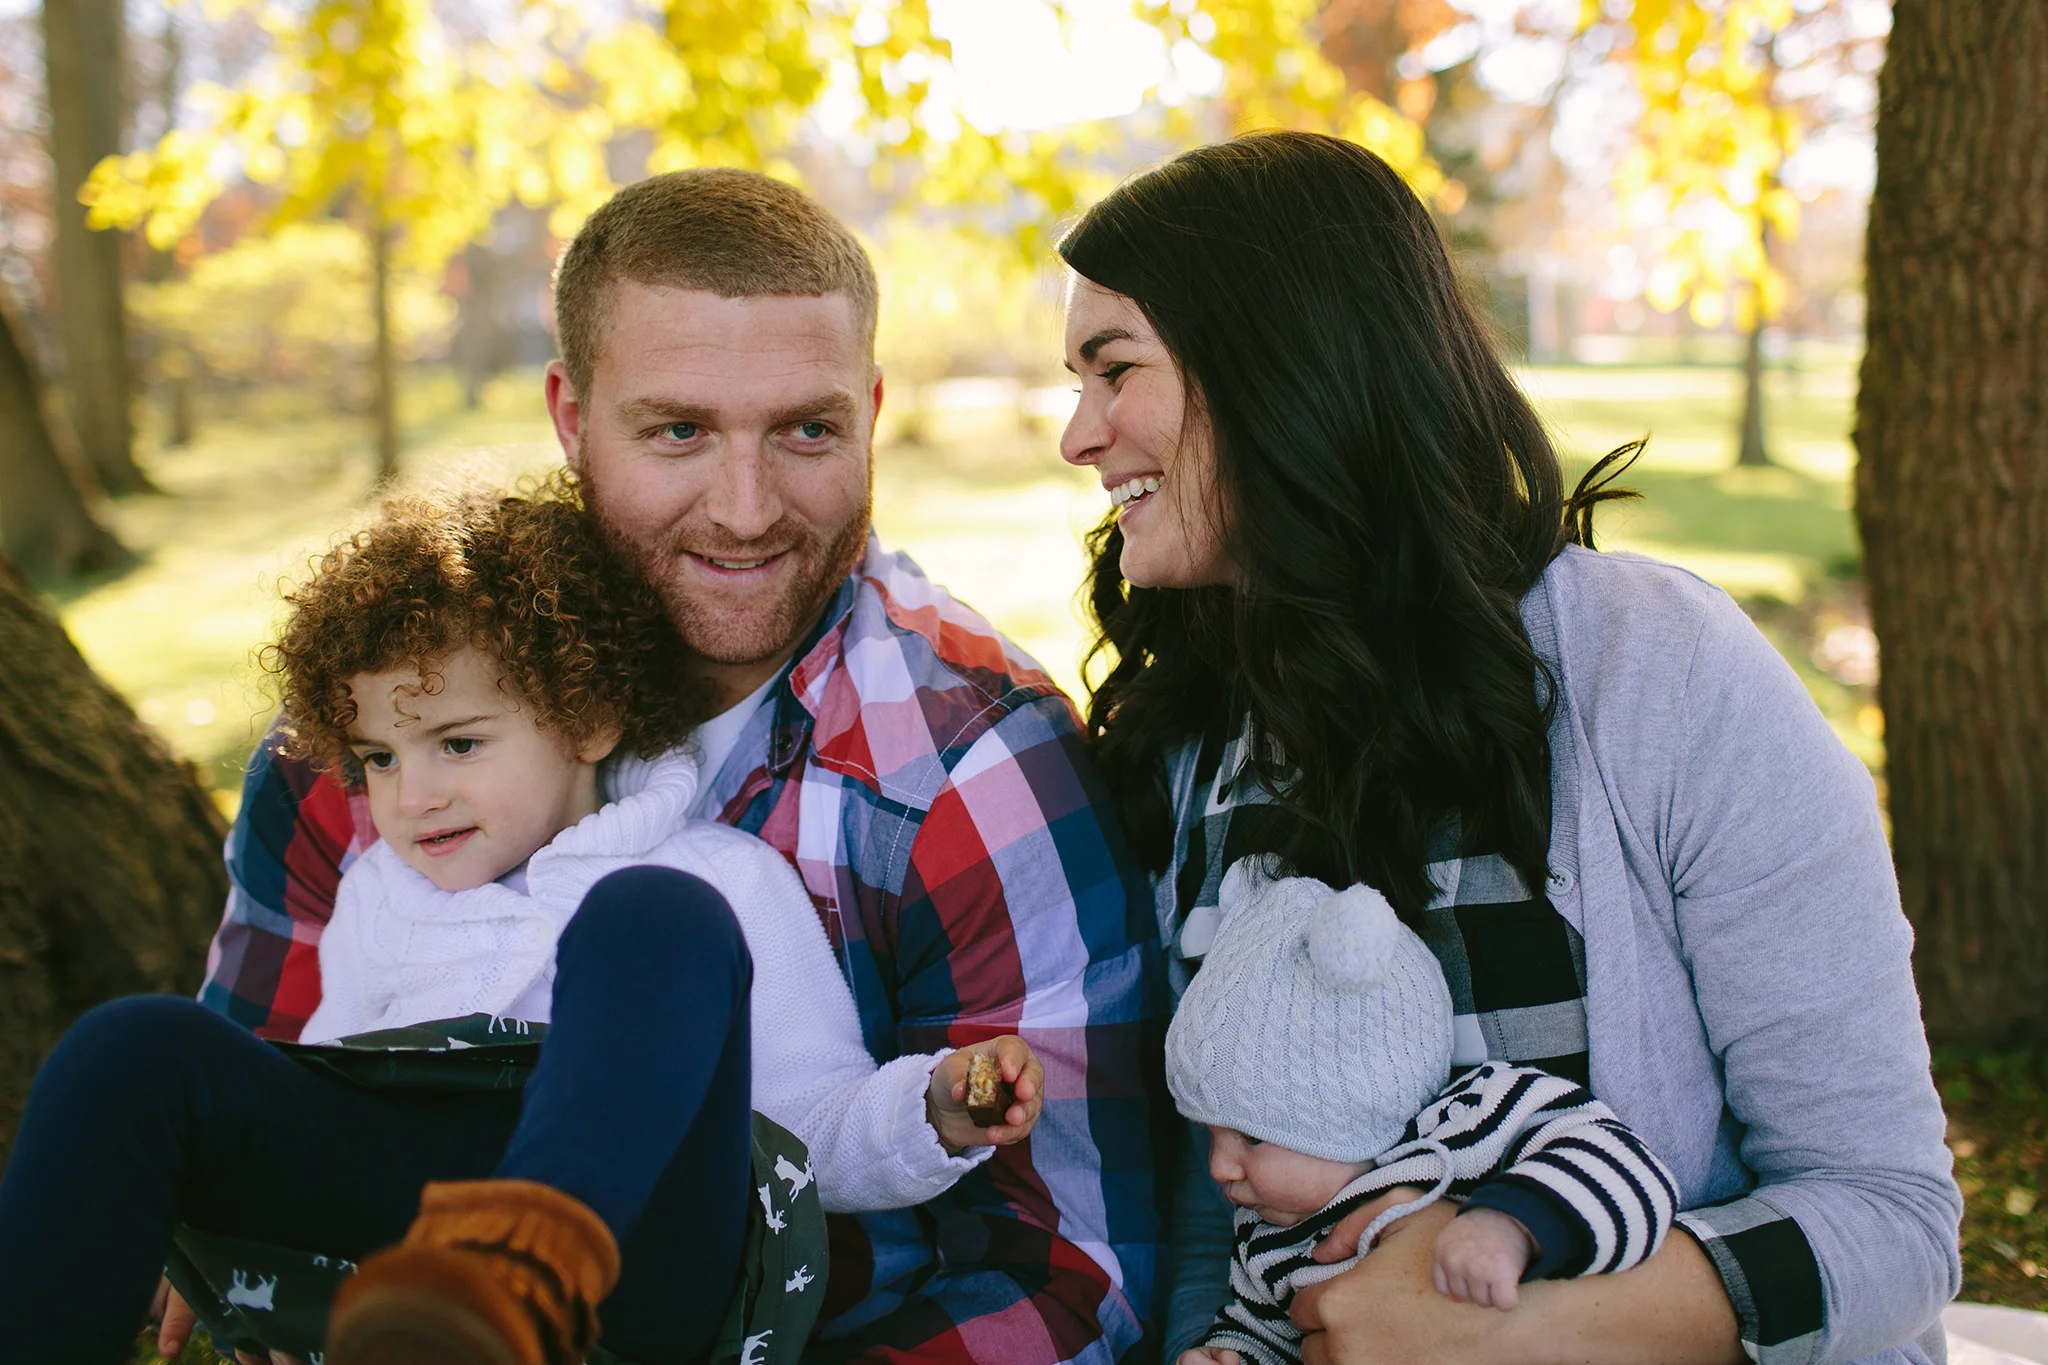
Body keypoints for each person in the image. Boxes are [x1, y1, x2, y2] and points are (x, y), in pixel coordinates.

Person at [184, 168, 1168, 1365]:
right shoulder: (381, 721)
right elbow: (248, 1122)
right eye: (678, 431)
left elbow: (1067, 1277)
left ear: (866, 410)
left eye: (807, 430)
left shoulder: (971, 763)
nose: (745, 510)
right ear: (567, 414)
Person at [1058, 130, 1961, 1365]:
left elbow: (1891, 1218)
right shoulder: (1200, 739)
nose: (1077, 435)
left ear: (1275, 365)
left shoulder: (1657, 672)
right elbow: (1220, 1218)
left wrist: (1529, 1333)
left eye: (1113, 371)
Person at [0, 483, 1045, 1365]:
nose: (412, 797)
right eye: (378, 758)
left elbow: (804, 1127)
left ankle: (515, 1268)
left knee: (646, 920)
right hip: (408, 1267)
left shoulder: (709, 880)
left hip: (630, 1271)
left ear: (586, 718)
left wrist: (930, 1110)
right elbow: (338, 1082)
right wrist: (244, 1227)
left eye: (457, 744)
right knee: (133, 1045)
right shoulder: (380, 895)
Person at [1166, 858, 1676, 1365]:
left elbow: (1628, 1166)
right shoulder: (1264, 1243)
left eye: (1250, 1138)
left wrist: (1512, 1224)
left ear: (1352, 1104)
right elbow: (1266, 1332)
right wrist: (1230, 1355)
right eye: (1211, 1135)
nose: (1218, 1167)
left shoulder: (1464, 1126)